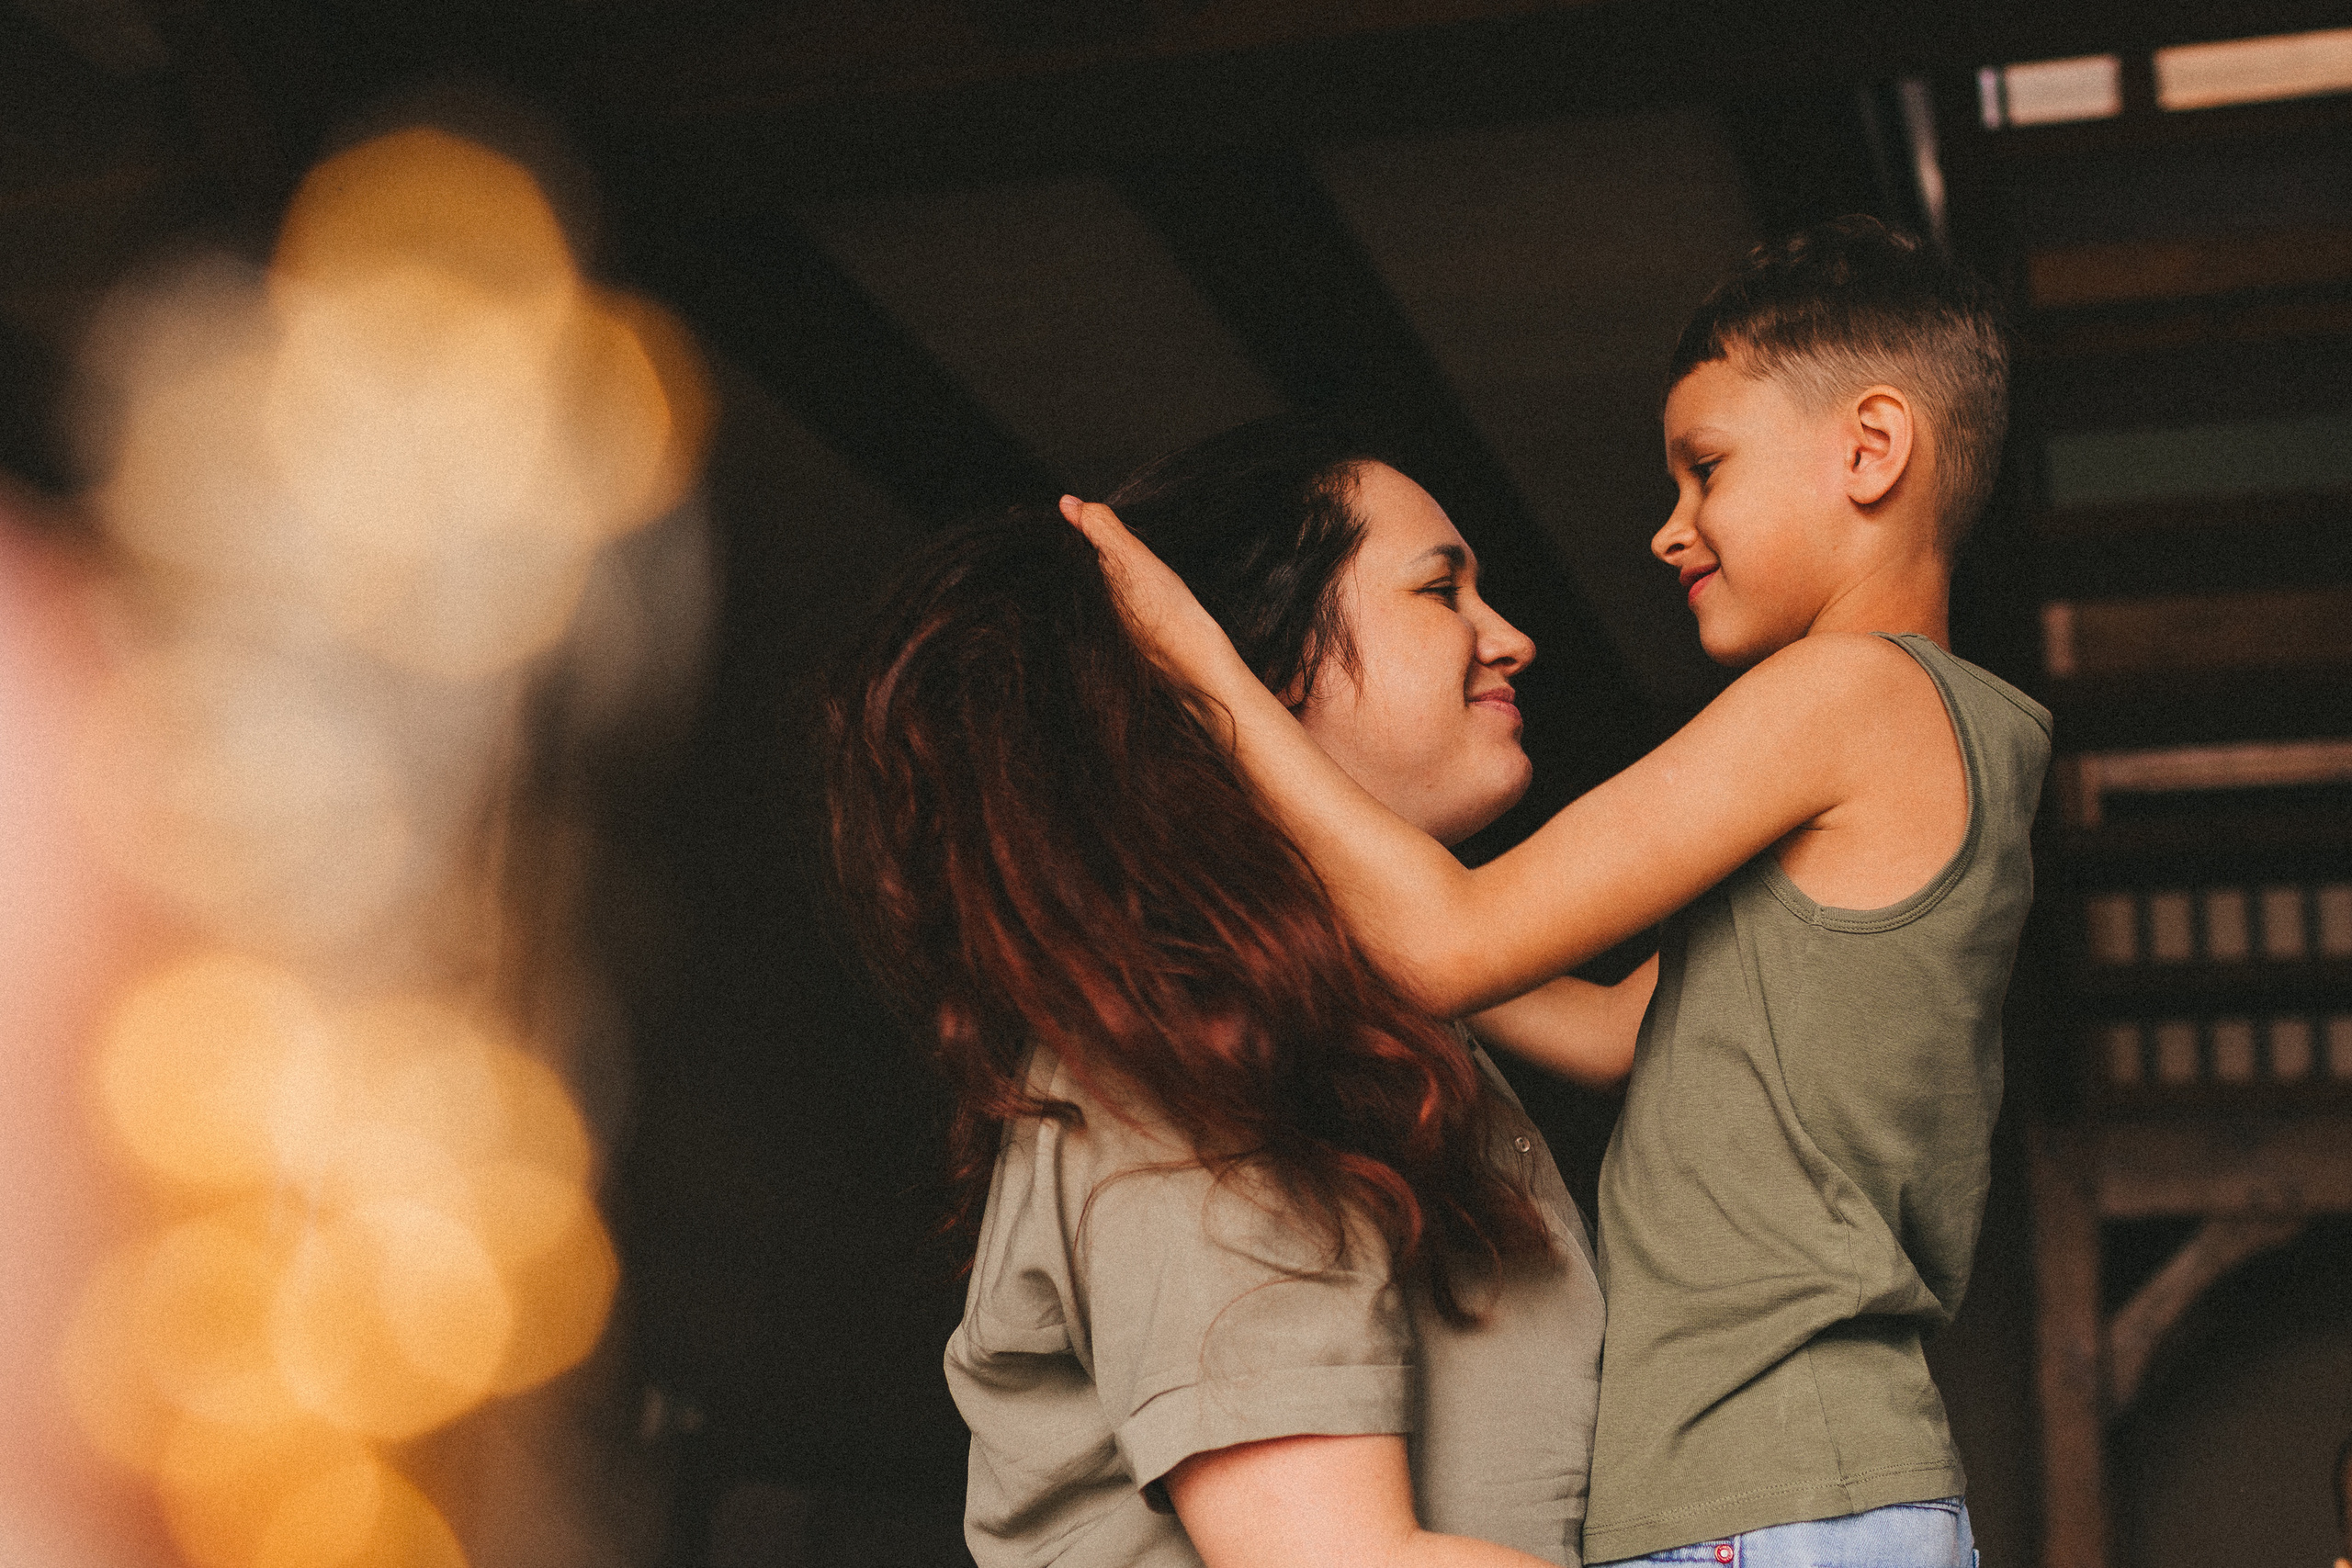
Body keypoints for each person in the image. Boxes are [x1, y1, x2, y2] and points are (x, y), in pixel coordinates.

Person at [1064, 217, 2047, 1568]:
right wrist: (1330, 902)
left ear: (1871, 449)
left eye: (1706, 469)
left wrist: (1206, 676)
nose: (1668, 528)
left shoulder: (1845, 695)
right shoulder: (1935, 738)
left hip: (1765, 1491)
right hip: (1821, 1487)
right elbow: (1613, 1028)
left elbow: (1453, 943)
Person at [826, 417, 1632, 1567]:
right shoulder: (1192, 1044)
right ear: (1270, 666)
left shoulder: (1375, 1022)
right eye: (1439, 589)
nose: (1511, 638)